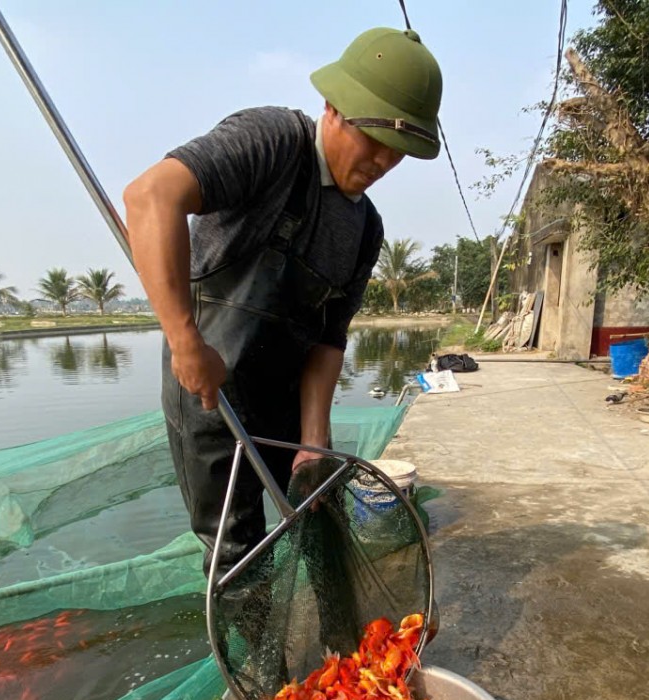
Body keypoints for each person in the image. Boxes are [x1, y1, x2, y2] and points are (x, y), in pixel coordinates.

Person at [123, 26, 443, 584]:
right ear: (334, 108)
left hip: (286, 398)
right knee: (239, 556)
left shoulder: (365, 227)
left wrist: (314, 440)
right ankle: (265, 670)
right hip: (209, 391)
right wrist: (185, 340)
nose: (384, 162)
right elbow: (151, 196)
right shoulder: (271, 140)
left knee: (322, 517)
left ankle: (344, 661)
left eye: (400, 154)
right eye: (375, 140)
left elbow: (328, 340)